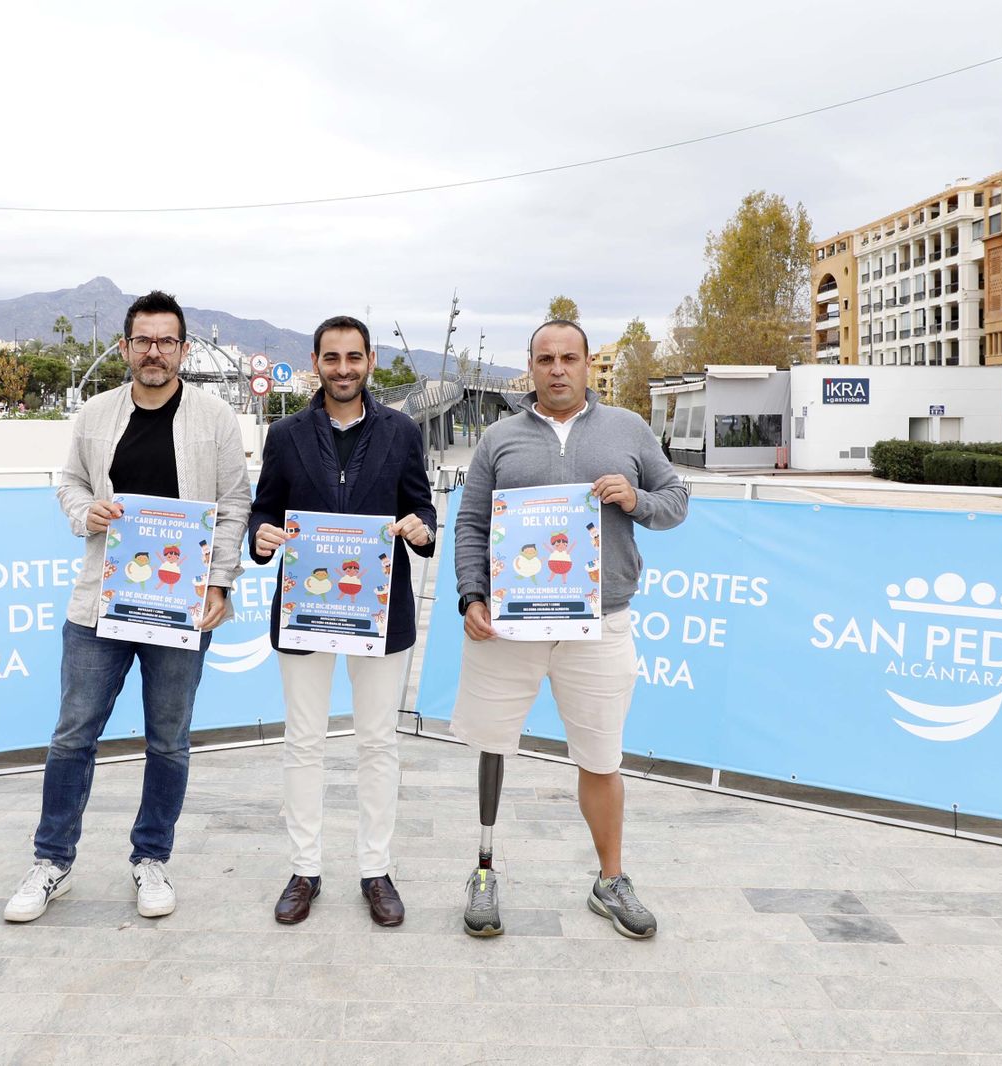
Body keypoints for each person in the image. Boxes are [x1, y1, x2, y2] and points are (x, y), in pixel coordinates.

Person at [4, 290, 251, 923]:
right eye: (143, 340)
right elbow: (70, 482)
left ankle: (152, 859)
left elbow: (234, 505)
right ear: (125, 347)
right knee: (73, 735)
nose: (154, 351)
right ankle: (51, 861)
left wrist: (220, 582)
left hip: (181, 606)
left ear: (183, 349)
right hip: (100, 606)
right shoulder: (95, 414)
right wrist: (85, 511)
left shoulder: (216, 419)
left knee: (168, 741)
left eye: (166, 341)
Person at [451, 318, 688, 939]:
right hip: (510, 624)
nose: (557, 368)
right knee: (492, 743)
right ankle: (484, 870)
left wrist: (636, 499)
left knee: (601, 757)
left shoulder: (628, 429)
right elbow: (471, 523)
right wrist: (472, 594)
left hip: (599, 623)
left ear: (586, 365)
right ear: (530, 366)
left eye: (570, 358)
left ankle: (611, 880)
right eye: (545, 358)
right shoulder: (499, 438)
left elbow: (676, 500)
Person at [248, 315, 436, 927]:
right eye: (332, 358)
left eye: (354, 357)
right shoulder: (285, 434)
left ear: (371, 361)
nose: (344, 368)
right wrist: (261, 537)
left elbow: (422, 506)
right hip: (306, 610)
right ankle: (304, 869)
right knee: (303, 742)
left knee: (377, 742)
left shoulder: (402, 431)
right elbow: (262, 511)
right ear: (316, 363)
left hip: (379, 612)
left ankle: (375, 869)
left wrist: (422, 529)